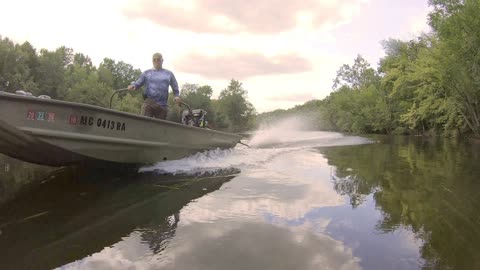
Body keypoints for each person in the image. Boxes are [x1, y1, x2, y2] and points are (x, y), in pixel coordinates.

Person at [128, 52, 181, 119]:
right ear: (152, 61)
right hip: (149, 102)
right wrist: (133, 86)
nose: (156, 61)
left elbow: (175, 86)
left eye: (158, 59)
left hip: (163, 105)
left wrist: (176, 96)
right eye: (154, 60)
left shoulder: (169, 74)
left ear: (162, 60)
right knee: (145, 120)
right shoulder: (146, 73)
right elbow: (138, 83)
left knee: (161, 126)